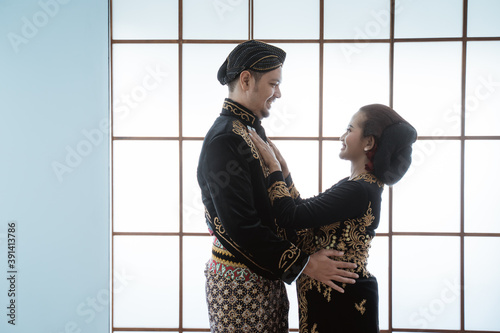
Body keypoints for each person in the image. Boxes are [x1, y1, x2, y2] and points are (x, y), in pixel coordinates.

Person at [197, 40, 359, 333]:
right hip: (239, 282)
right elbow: (241, 226)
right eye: (273, 83)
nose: (278, 93)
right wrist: (307, 265)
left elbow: (270, 204)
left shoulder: (248, 128)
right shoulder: (225, 139)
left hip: (263, 274)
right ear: (246, 79)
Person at [249, 104, 417, 332]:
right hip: (335, 297)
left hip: (341, 302)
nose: (342, 136)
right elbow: (304, 211)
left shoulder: (358, 190)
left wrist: (273, 169)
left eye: (349, 130)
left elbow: (291, 216)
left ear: (368, 142)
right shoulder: (357, 186)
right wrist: (284, 172)